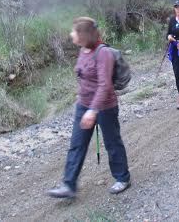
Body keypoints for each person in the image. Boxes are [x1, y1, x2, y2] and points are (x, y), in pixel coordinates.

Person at [47, 17, 130, 199]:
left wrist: (93, 110)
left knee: (112, 142)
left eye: (74, 31)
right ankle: (68, 185)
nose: (71, 34)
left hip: (104, 107)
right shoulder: (83, 50)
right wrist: (82, 100)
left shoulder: (103, 53)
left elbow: (104, 85)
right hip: (83, 105)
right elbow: (84, 77)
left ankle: (122, 178)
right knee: (77, 144)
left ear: (83, 34)